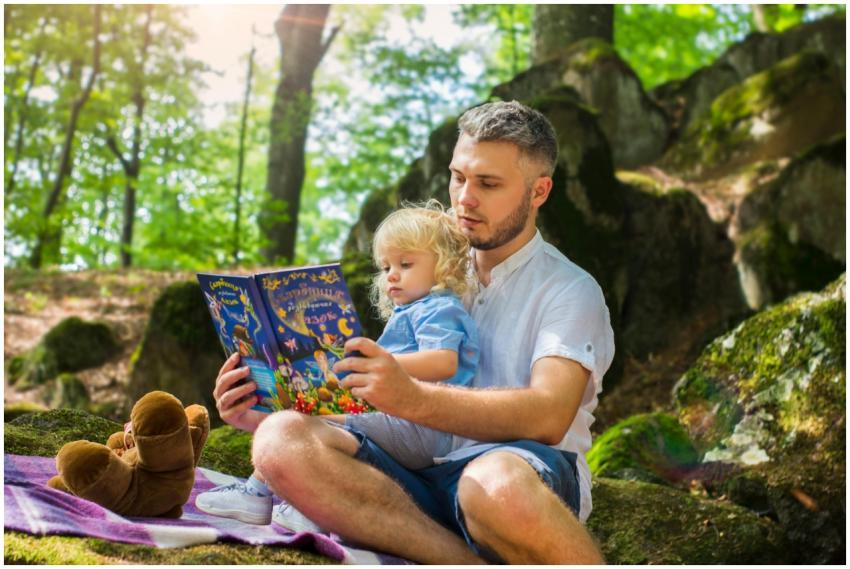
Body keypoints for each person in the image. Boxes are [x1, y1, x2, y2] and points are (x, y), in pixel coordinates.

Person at [214, 101, 614, 563]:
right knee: (279, 439)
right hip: (412, 471)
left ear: (539, 191)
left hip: (518, 477)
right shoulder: (427, 266)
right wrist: (263, 403)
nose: (464, 197)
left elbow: (548, 415)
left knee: (494, 484)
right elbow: (380, 401)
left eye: (488, 183)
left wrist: (408, 396)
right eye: (459, 176)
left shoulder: (569, 289)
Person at [197, 203, 479, 527]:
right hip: (400, 421)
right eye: (386, 267)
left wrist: (380, 363)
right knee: (304, 417)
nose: (393, 275)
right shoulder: (414, 310)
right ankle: (288, 501)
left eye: (405, 263)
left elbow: (444, 361)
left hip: (420, 428)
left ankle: (267, 497)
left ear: (445, 266)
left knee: (310, 420)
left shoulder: (440, 308)